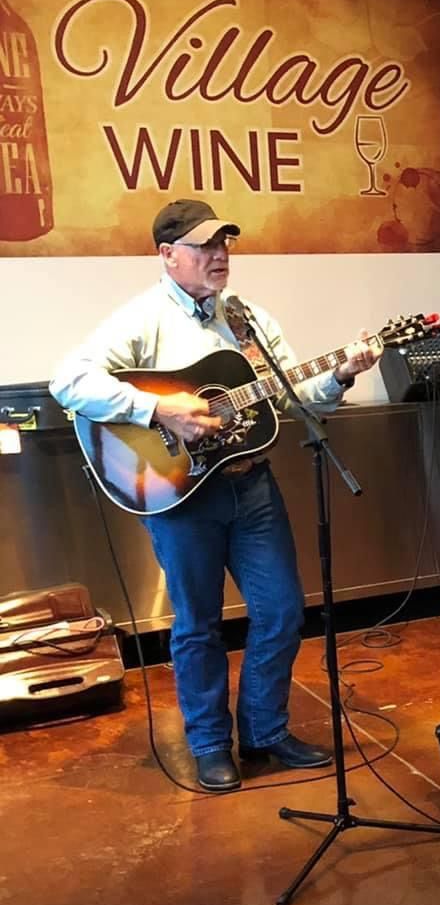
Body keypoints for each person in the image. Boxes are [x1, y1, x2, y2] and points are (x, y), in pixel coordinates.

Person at [50, 199, 382, 792]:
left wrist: (340, 373)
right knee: (198, 624)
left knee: (282, 611)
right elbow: (68, 382)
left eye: (223, 242)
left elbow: (291, 396)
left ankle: (265, 732)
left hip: (251, 486)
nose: (219, 254)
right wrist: (158, 408)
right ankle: (207, 744)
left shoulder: (247, 319)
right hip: (180, 498)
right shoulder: (143, 318)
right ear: (168, 255)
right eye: (203, 245)